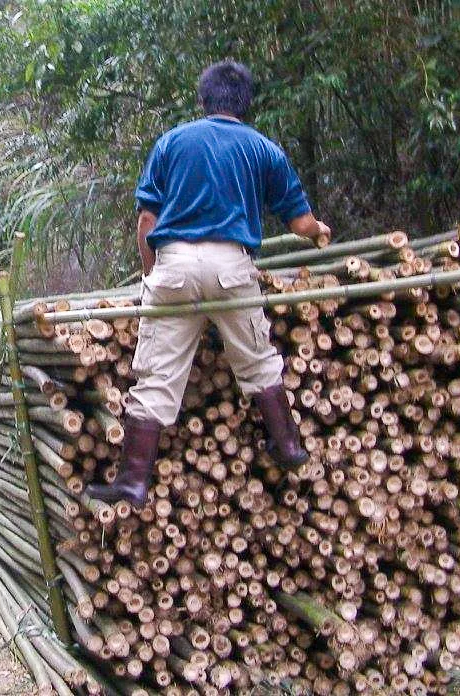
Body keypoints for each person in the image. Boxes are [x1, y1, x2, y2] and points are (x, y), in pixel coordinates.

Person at [88, 60, 331, 506]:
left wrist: (152, 276)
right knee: (257, 361)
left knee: (156, 376)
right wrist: (318, 232)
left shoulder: (172, 142)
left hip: (175, 263)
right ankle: (289, 446)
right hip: (232, 266)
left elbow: (147, 219)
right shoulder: (263, 149)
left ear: (204, 100)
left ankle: (133, 481)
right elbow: (300, 221)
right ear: (245, 104)